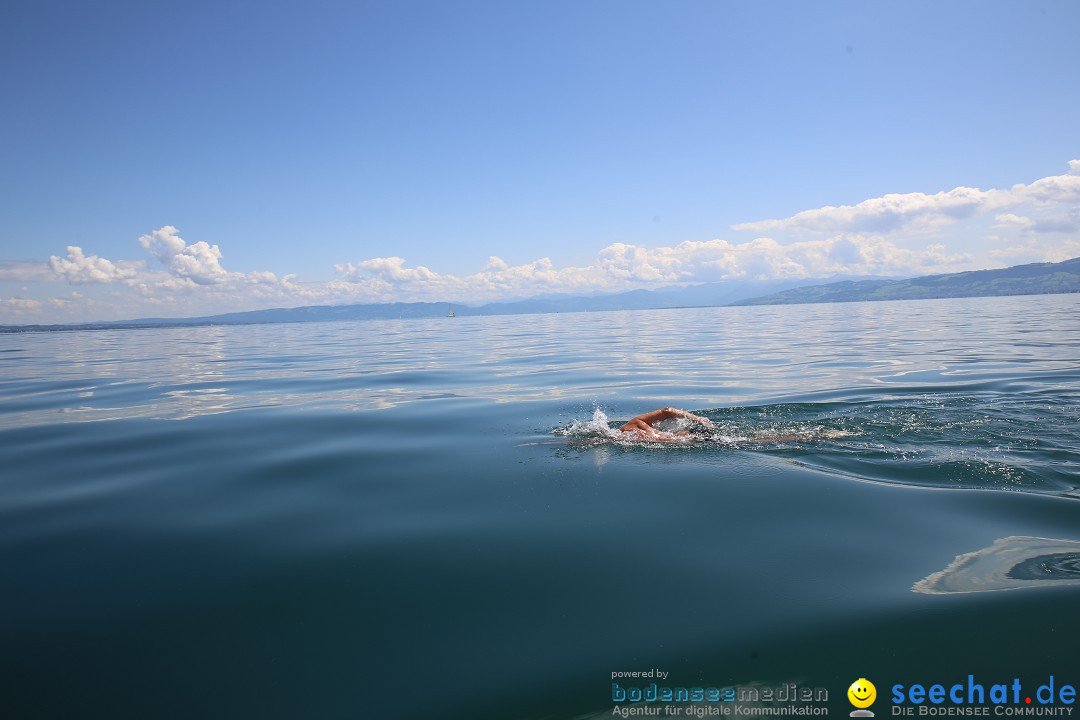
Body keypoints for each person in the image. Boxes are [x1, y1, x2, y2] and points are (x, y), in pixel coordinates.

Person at [619, 407, 713, 442]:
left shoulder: (630, 433)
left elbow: (666, 411)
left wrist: (698, 419)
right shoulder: (635, 423)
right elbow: (666, 411)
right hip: (691, 437)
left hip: (689, 438)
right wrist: (698, 419)